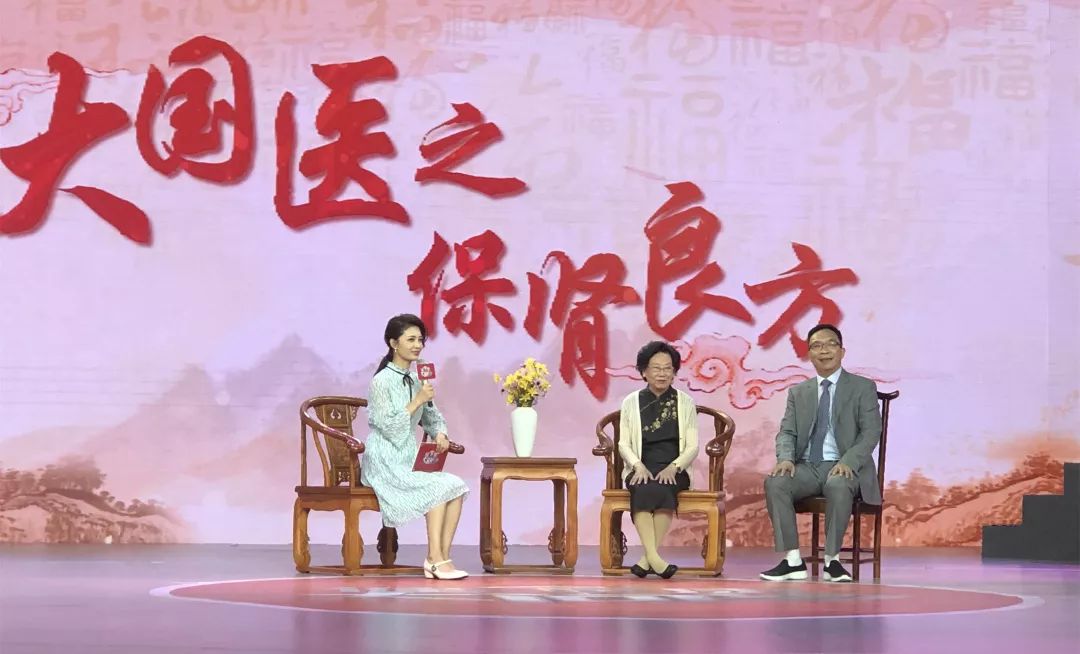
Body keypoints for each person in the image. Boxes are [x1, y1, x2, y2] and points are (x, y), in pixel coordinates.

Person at [760, 324, 882, 583]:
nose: (824, 350)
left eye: (830, 344)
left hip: (844, 465)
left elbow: (871, 432)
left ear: (842, 351)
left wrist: (848, 461)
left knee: (838, 484)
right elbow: (787, 432)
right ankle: (793, 560)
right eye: (816, 346)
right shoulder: (798, 392)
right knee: (776, 482)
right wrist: (785, 458)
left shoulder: (862, 387)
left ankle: (832, 561)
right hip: (806, 467)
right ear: (809, 354)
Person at [360, 313, 470, 580]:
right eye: (410, 339)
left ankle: (442, 558)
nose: (417, 345)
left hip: (407, 456)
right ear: (393, 343)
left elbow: (431, 415)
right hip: (384, 458)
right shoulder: (381, 381)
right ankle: (433, 558)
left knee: (455, 485)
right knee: (436, 488)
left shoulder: (417, 378)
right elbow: (388, 426)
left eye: (420, 340)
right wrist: (417, 400)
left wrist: (440, 433)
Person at [617, 341, 699, 579]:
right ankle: (655, 559)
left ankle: (647, 560)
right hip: (641, 465)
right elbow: (623, 444)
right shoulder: (631, 402)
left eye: (667, 368)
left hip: (674, 467)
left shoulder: (685, 402)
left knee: (663, 488)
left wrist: (675, 467)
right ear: (644, 371)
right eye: (656, 368)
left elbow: (692, 446)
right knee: (642, 488)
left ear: (674, 372)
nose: (662, 373)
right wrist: (637, 466)